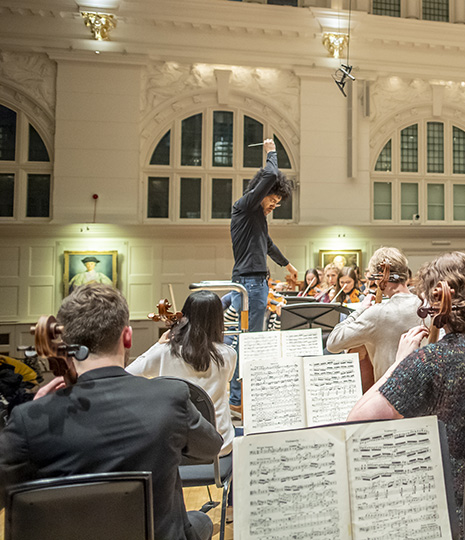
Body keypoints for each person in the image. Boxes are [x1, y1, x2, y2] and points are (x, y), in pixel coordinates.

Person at [0, 284, 222, 540]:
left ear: (67, 344)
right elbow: (210, 448)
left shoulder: (31, 420)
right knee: (200, 520)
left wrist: (36, 408)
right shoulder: (169, 399)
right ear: (127, 337)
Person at [347, 252, 465, 533]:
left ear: (435, 304)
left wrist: (398, 365)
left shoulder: (432, 361)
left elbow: (357, 421)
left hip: (453, 508)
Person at [228, 139, 296, 413]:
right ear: (263, 192)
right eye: (273, 199)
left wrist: (288, 265)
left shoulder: (256, 219)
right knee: (249, 342)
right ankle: (237, 399)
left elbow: (267, 244)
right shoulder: (245, 207)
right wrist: (271, 152)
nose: (273, 205)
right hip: (250, 284)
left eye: (278, 203)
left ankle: (237, 397)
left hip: (253, 283)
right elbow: (269, 175)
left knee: (244, 340)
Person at [127, 290, 237, 456]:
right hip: (218, 446)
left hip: (172, 448)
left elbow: (128, 375)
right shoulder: (228, 355)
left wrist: (158, 345)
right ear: (218, 320)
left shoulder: (163, 352)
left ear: (184, 316)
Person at [326, 247, 423, 380]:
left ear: (379, 277)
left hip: (389, 392)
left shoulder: (377, 313)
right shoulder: (426, 305)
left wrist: (361, 310)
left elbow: (333, 343)